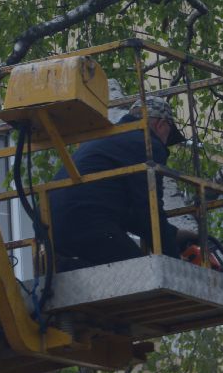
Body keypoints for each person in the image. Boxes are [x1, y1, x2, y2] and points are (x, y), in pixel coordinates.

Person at [47, 97, 199, 269]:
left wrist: (173, 234)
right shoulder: (149, 145)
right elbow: (148, 210)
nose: (166, 143)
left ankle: (63, 266)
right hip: (86, 221)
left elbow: (128, 212)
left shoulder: (106, 139)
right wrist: (175, 265)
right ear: (161, 125)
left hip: (49, 225)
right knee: (142, 274)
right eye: (168, 135)